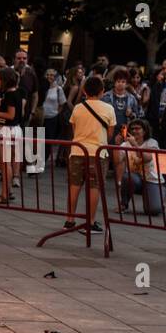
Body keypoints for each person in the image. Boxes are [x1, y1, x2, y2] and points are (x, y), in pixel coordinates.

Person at [64, 74, 114, 230]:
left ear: (84, 91)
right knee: (94, 187)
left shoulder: (78, 108)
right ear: (102, 91)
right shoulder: (109, 109)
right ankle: (90, 221)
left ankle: (70, 219)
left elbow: (74, 130)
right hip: (98, 153)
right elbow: (110, 134)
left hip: (78, 151)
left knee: (74, 185)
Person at [0, 67, 24, 203]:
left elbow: (10, 115)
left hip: (8, 130)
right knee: (6, 162)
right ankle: (7, 191)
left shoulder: (9, 95)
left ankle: (4, 194)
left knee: (5, 163)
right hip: (14, 129)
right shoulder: (17, 92)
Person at [116, 119, 163, 216]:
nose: (134, 131)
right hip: (136, 179)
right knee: (127, 177)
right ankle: (123, 204)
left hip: (151, 179)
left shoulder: (152, 143)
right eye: (132, 129)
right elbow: (117, 161)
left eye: (138, 128)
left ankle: (160, 193)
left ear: (144, 131)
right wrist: (117, 145)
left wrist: (135, 145)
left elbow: (147, 158)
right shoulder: (126, 144)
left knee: (153, 211)